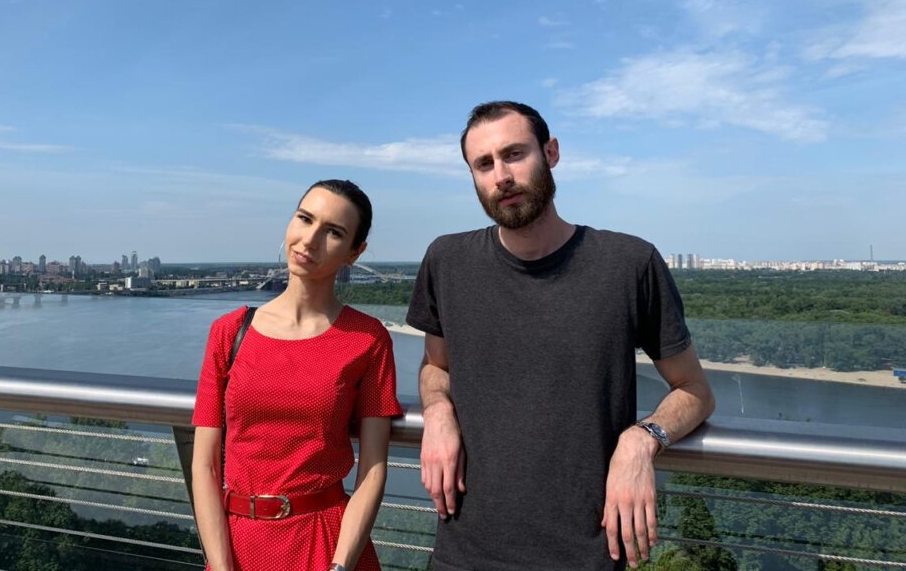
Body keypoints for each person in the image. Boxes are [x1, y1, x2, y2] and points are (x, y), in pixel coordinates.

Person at [407, 101, 715, 571]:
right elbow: (435, 366)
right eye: (483, 164)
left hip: (587, 556)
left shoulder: (629, 264)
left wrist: (642, 439)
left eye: (514, 154)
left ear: (550, 153)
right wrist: (438, 409)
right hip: (462, 556)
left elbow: (694, 391)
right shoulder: (447, 261)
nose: (501, 176)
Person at [191, 179, 403, 571]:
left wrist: (340, 567)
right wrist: (220, 566)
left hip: (326, 544)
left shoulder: (368, 339)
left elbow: (373, 469)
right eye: (305, 219)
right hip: (237, 546)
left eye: (333, 232)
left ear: (355, 253)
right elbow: (204, 465)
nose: (309, 239)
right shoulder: (229, 332)